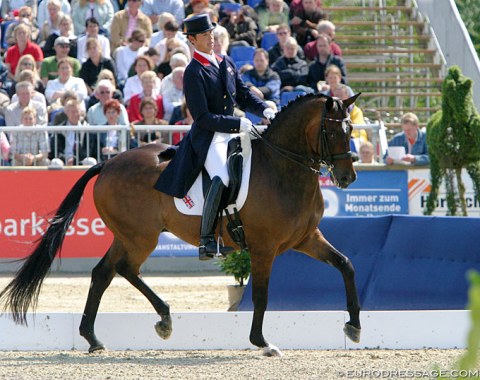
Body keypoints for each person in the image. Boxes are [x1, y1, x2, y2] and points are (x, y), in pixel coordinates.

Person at [154, 14, 275, 260]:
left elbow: (242, 94)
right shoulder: (193, 72)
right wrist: (238, 122)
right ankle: (207, 239)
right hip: (210, 138)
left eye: (212, 33)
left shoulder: (225, 61)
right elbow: (203, 118)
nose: (211, 38)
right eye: (205, 35)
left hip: (234, 131)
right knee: (221, 175)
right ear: (192, 39)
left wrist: (263, 109)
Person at [49, 98, 87, 165]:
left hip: (80, 159)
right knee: (55, 162)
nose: (75, 114)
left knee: (90, 161)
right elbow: (56, 150)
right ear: (66, 113)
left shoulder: (86, 128)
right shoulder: (59, 130)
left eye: (77, 111)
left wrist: (75, 160)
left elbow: (88, 149)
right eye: (72, 112)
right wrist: (66, 159)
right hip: (63, 160)